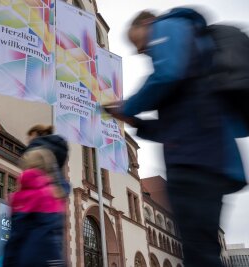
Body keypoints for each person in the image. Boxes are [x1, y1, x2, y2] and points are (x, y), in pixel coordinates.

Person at [104, 9, 247, 267]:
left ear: (146, 24)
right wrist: (136, 123)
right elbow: (173, 125)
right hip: (205, 158)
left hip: (197, 160)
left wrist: (129, 106)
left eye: (137, 42)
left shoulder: (169, 26)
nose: (140, 51)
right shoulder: (190, 55)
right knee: (200, 249)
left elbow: (167, 74)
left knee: (199, 252)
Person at [3, 146, 66, 267]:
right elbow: (54, 237)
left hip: (22, 260)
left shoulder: (17, 197)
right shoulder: (51, 194)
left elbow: (14, 237)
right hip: (47, 260)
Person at [24, 124, 70, 198]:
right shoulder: (54, 149)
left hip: (41, 195)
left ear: (34, 134)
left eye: (29, 136)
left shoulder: (36, 150)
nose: (27, 140)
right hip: (55, 194)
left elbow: (31, 177)